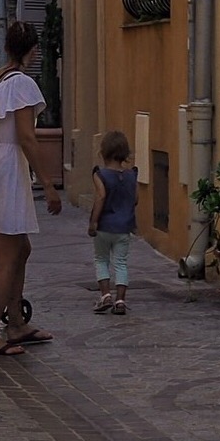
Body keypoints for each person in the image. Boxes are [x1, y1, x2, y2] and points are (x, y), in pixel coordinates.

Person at [0, 19, 64, 355]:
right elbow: (26, 136)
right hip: (6, 168)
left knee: (21, 249)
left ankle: (17, 321)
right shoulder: (21, 84)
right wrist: (48, 184)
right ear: (33, 50)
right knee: (7, 257)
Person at [87, 130, 140, 315]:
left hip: (104, 225)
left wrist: (93, 221)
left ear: (103, 152)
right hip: (124, 227)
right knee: (121, 262)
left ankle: (105, 295)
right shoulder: (132, 175)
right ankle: (120, 300)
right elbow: (135, 199)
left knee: (101, 259)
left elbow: (101, 197)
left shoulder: (99, 174)